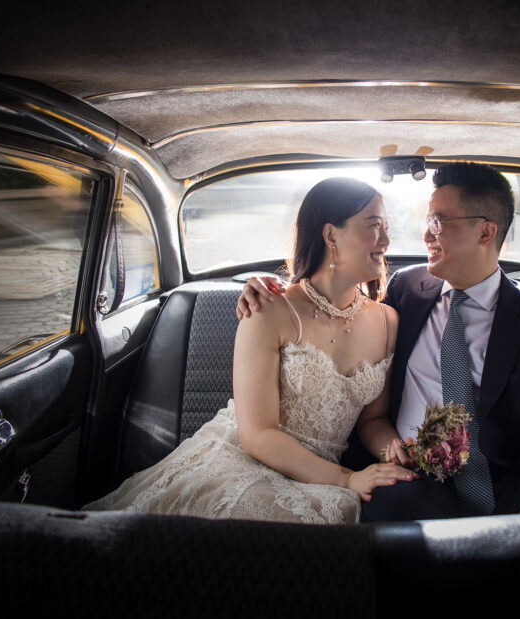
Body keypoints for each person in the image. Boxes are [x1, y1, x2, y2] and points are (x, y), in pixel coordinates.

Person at [238, 162, 520, 520]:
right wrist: (264, 288)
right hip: (410, 477)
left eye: (439, 222)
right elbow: (329, 308)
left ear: (486, 232)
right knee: (385, 506)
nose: (425, 235)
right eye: (427, 220)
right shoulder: (408, 290)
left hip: (507, 482)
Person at [83, 177, 415, 523]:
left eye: (387, 228)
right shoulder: (268, 309)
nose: (386, 241)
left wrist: (393, 451)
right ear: (331, 235)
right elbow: (258, 435)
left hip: (321, 477)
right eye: (374, 226)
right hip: (244, 461)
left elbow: (372, 419)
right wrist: (347, 480)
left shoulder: (387, 322)